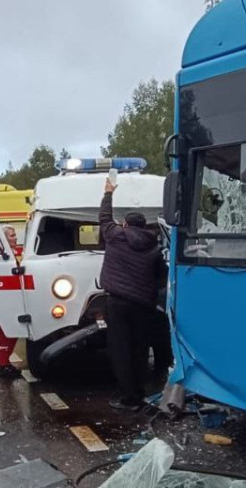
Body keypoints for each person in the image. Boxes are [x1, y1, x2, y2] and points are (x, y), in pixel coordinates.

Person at [99, 175, 166, 411]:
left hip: (117, 303)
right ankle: (139, 391)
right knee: (139, 349)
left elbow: (104, 217)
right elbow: (161, 277)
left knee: (120, 350)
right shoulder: (154, 246)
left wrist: (108, 192)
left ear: (125, 224)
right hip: (143, 305)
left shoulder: (115, 236)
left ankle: (129, 398)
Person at [0, 224, 22, 378]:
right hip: (7, 296)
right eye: (12, 235)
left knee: (12, 331)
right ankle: (3, 364)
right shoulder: (0, 253)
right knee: (7, 331)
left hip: (17, 296)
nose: (15, 237)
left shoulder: (17, 251)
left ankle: (5, 362)